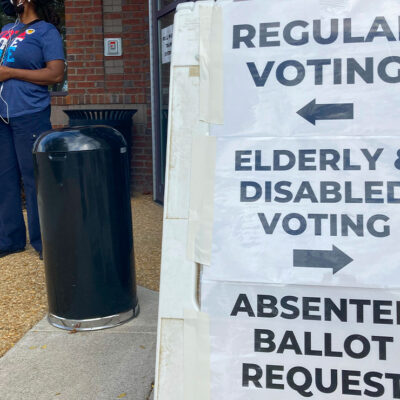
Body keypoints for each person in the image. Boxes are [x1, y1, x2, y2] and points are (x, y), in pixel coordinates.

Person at [0, 0, 65, 258]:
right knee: (4, 179)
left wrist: (10, 73)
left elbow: (56, 74)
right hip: (2, 116)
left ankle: (43, 242)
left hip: (29, 114)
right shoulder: (5, 30)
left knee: (35, 178)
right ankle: (10, 239)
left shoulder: (46, 31)